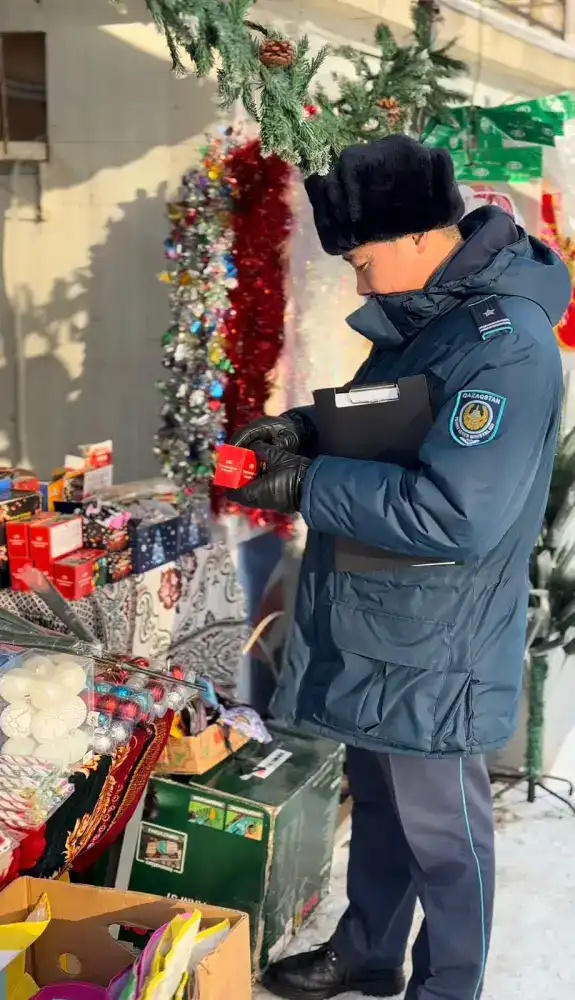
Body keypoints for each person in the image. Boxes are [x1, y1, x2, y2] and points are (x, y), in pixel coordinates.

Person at [228, 135, 570, 1000]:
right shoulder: (429, 312)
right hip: (383, 616)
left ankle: (445, 987)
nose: (358, 280)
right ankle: (368, 953)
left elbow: (455, 509)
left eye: (363, 258)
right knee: (378, 803)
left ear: (423, 235)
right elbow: (385, 419)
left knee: (444, 840)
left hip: (437, 637)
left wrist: (308, 481)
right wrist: (303, 431)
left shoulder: (505, 345)